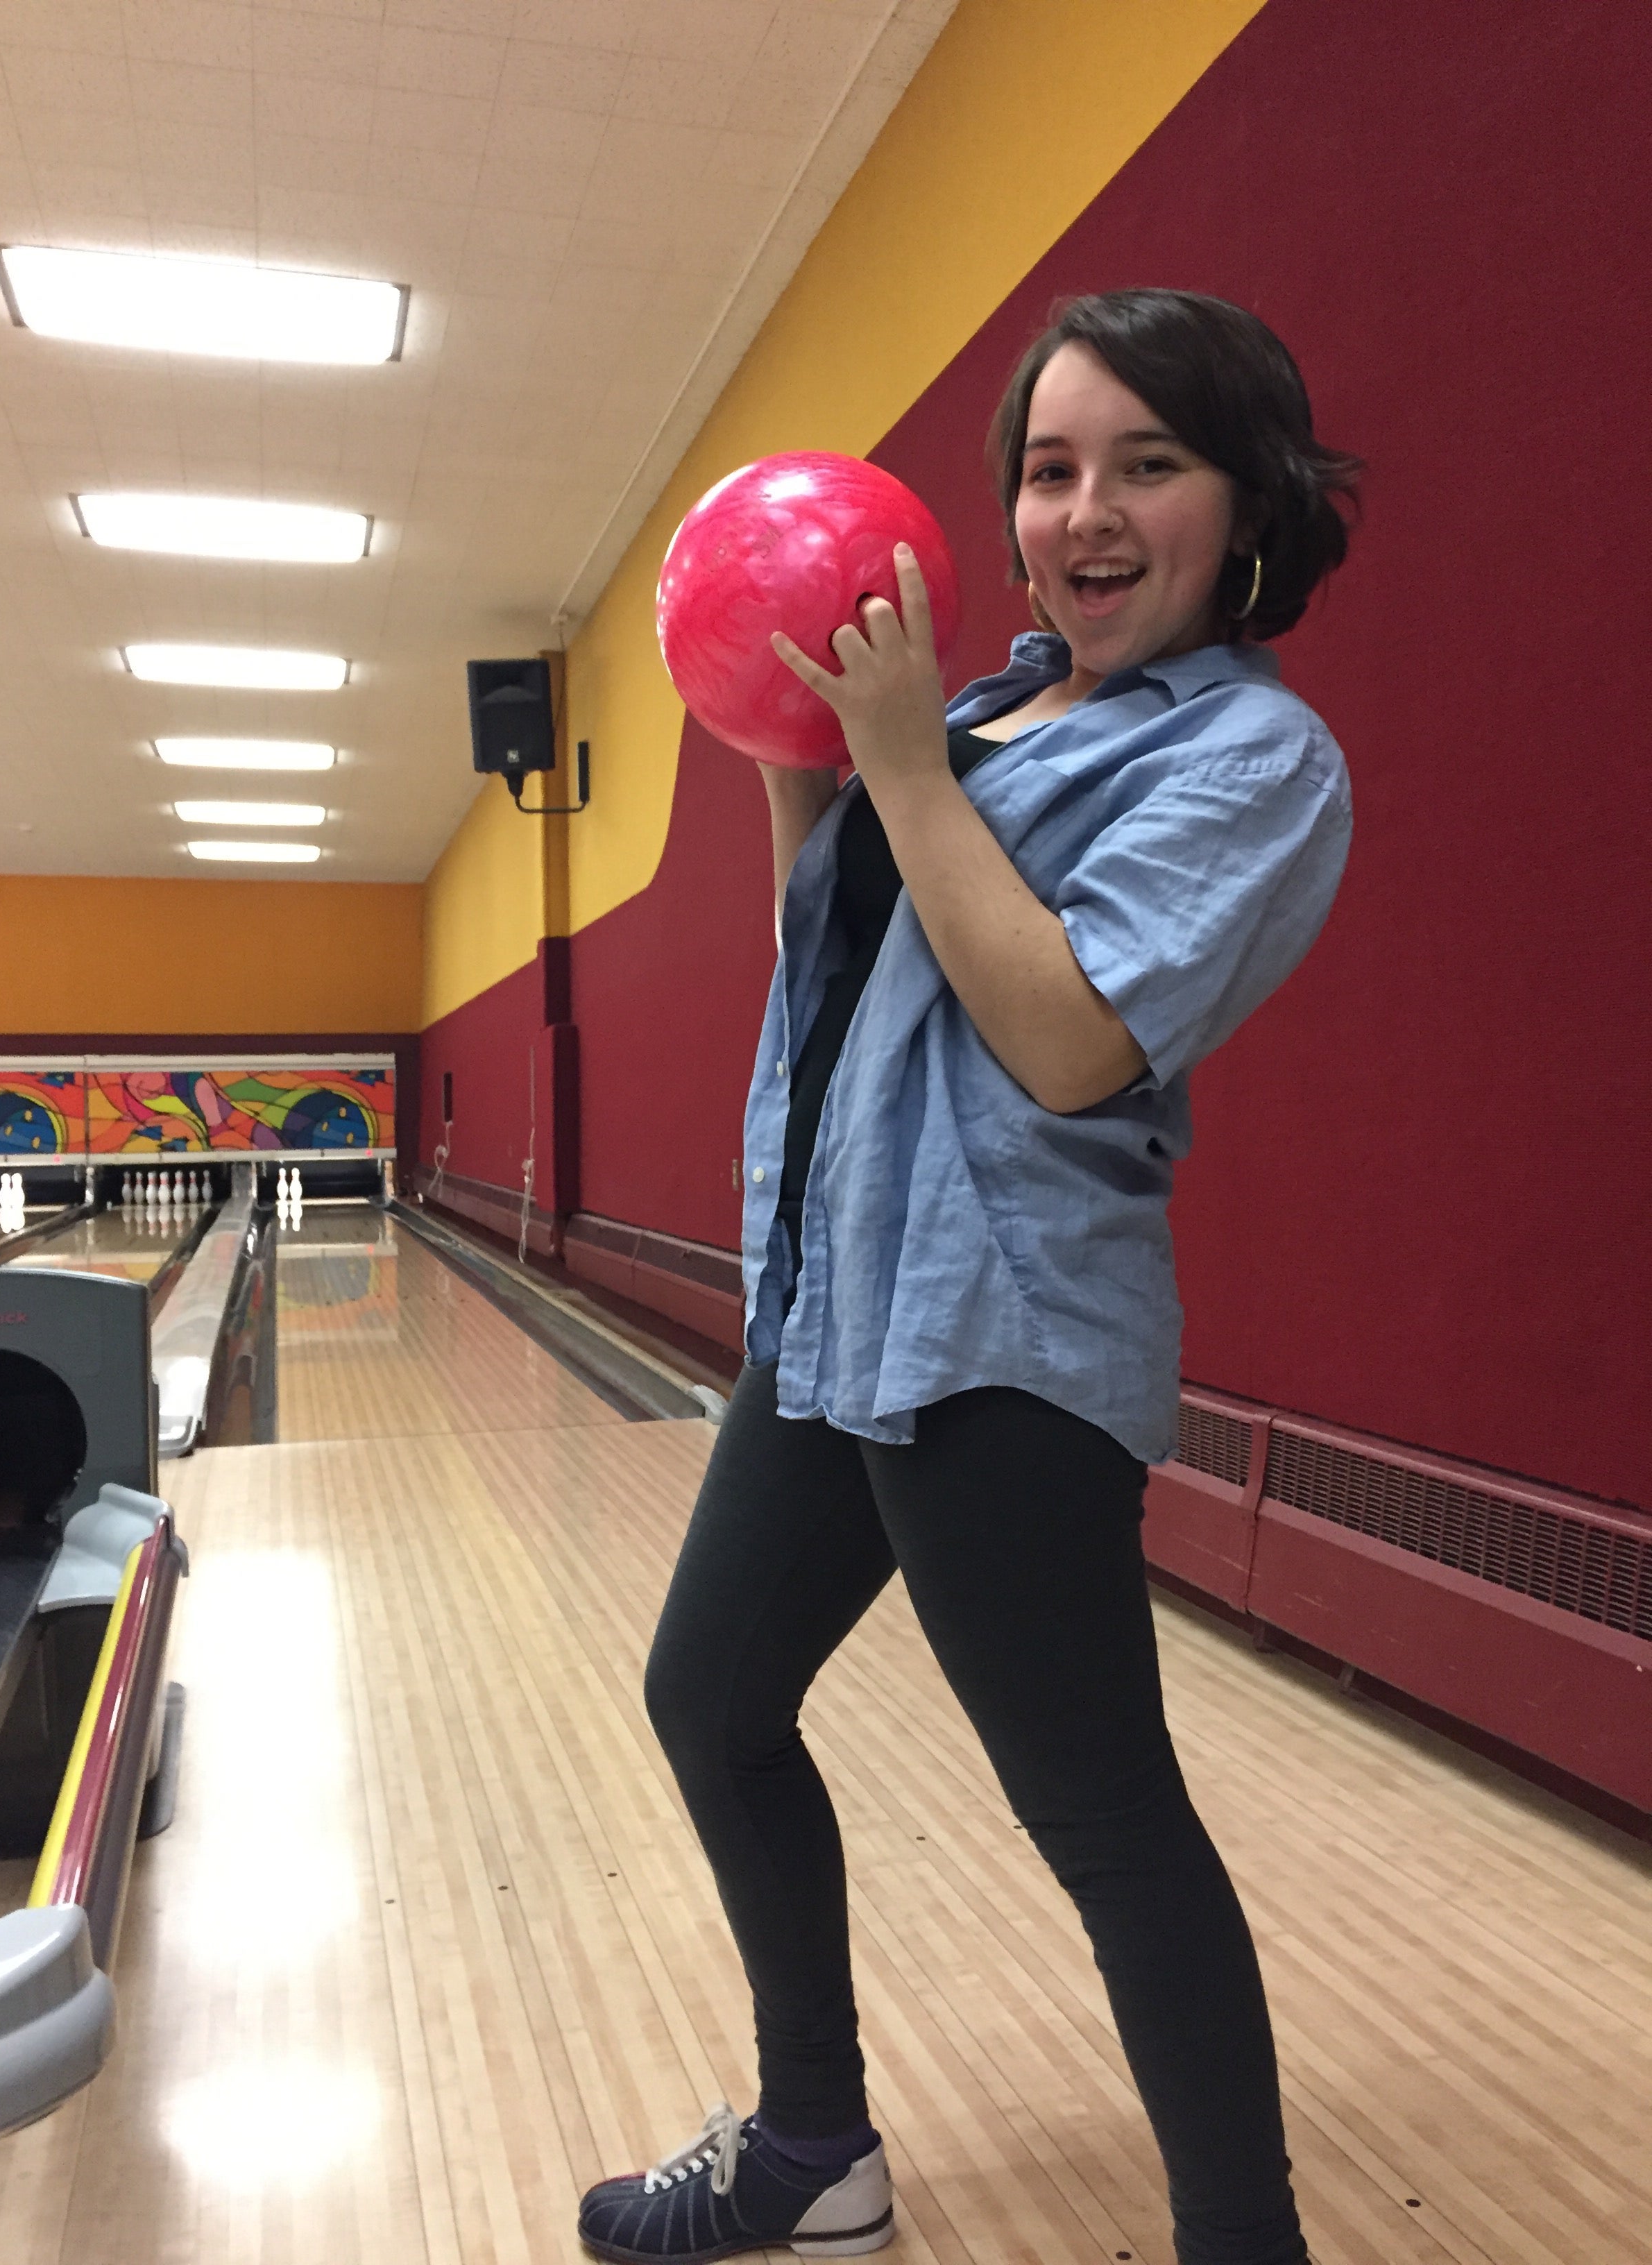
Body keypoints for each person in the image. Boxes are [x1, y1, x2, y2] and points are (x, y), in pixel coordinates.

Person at [577, 289, 1361, 2265]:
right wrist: (798, 763)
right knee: (712, 1702)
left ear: (1247, 494)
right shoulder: (993, 709)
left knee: (1100, 1819)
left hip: (1006, 1337)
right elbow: (859, 977)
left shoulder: (1259, 760)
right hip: (840, 1307)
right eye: (1049, 466)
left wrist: (901, 766)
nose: (1085, 512)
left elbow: (1072, 1039)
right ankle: (813, 2146)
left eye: (1148, 464)